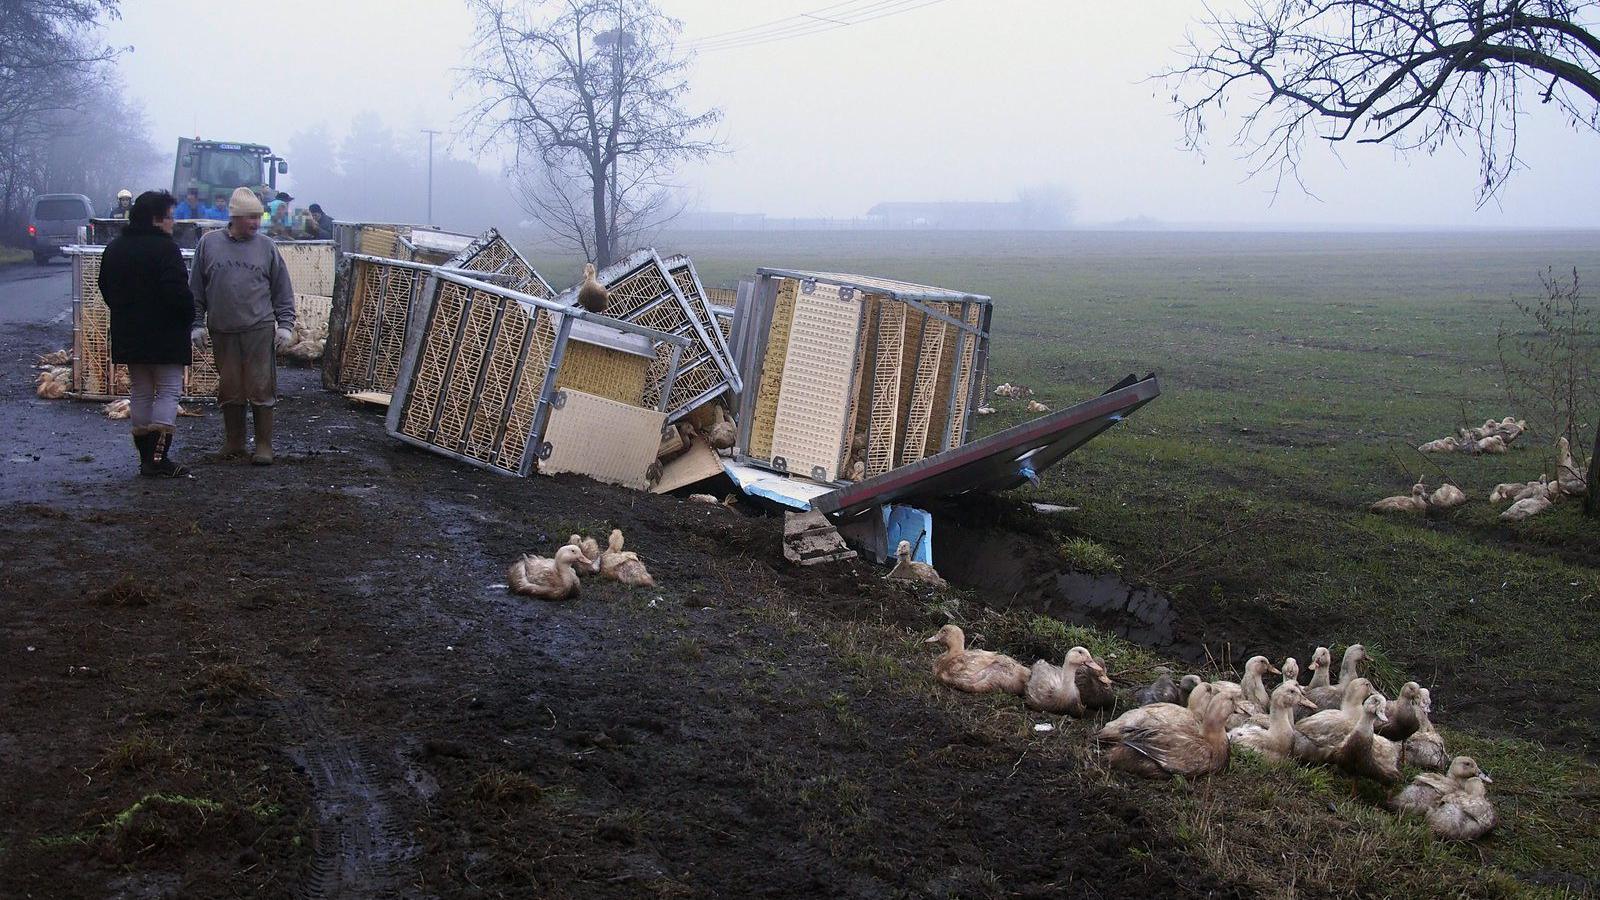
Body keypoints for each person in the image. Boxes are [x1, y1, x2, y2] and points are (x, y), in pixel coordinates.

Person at [189, 186, 296, 465]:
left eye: (258, 218)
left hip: (258, 327)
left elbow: (282, 289)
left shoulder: (266, 247)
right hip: (222, 329)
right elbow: (196, 289)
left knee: (261, 386)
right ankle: (234, 442)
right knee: (230, 386)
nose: (255, 223)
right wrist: (196, 323)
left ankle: (263, 445)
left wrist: (285, 324)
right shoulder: (209, 244)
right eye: (250, 218)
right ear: (235, 217)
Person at [97, 190, 195, 477]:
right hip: (165, 334)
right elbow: (177, 292)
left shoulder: (115, 248)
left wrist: (125, 312)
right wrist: (187, 317)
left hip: (129, 331)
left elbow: (106, 286)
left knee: (140, 391)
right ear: (156, 219)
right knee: (167, 391)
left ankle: (145, 459)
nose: (172, 223)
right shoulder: (166, 249)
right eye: (169, 217)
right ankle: (158, 459)